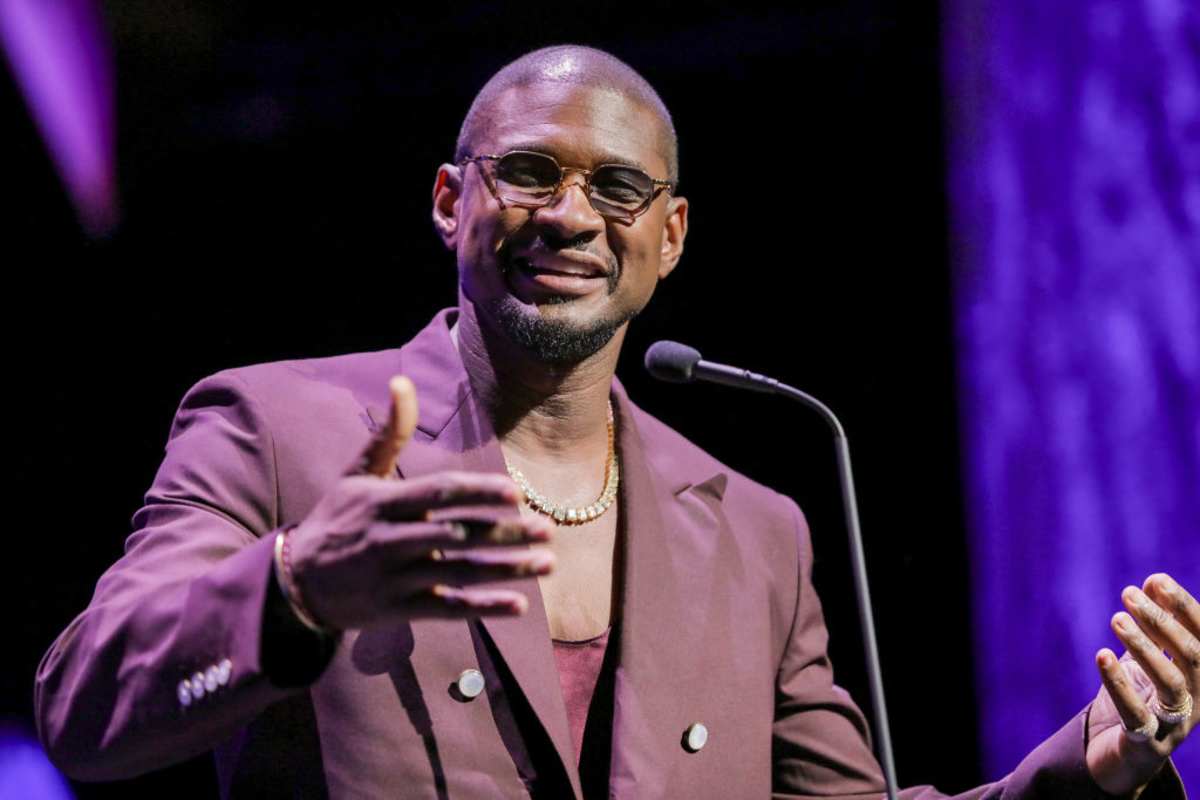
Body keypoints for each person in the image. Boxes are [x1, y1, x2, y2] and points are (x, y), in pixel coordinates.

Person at [35, 45, 1195, 799]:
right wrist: (295, 585)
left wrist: (1088, 764)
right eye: (530, 171)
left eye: (619, 188)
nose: (572, 216)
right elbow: (85, 705)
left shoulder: (755, 531)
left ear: (670, 235)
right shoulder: (278, 427)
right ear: (450, 200)